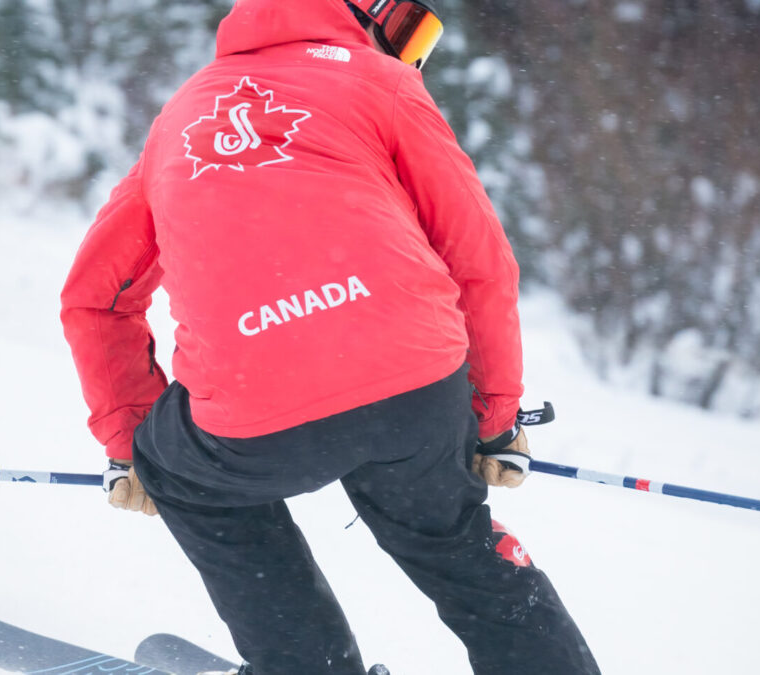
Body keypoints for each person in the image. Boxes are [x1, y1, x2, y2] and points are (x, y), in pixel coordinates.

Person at [60, 0, 601, 673]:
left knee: (185, 474)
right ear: (366, 15)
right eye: (411, 32)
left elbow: (93, 299)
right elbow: (479, 261)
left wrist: (132, 448)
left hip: (249, 412)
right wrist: (492, 418)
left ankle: (304, 662)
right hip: (412, 388)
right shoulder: (384, 83)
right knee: (452, 544)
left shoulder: (178, 119)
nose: (411, 53)